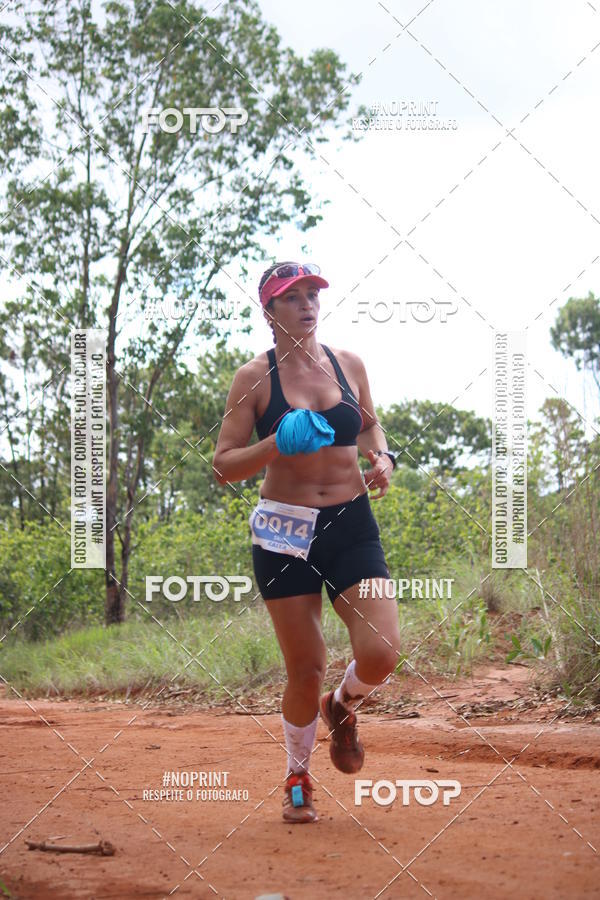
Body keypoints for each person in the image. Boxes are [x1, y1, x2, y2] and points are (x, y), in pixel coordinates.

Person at [212, 261, 402, 824]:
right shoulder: (254, 378)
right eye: (291, 298)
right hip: (283, 530)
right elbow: (223, 466)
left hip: (350, 522)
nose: (306, 305)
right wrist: (275, 443)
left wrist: (382, 458)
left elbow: (368, 425)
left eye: (312, 295)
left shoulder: (349, 364)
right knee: (306, 666)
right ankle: (298, 775)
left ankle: (340, 707)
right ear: (269, 311)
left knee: (381, 651)